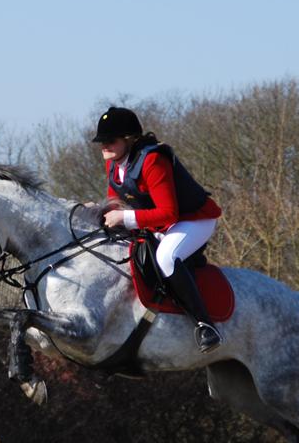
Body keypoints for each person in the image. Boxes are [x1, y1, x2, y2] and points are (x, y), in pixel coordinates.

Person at [93, 106, 224, 353]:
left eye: (110, 140)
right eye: (101, 141)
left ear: (128, 139)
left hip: (193, 219)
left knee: (166, 257)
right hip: (159, 223)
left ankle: (206, 325)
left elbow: (169, 213)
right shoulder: (114, 165)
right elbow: (116, 203)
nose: (104, 146)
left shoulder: (153, 160)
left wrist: (123, 216)